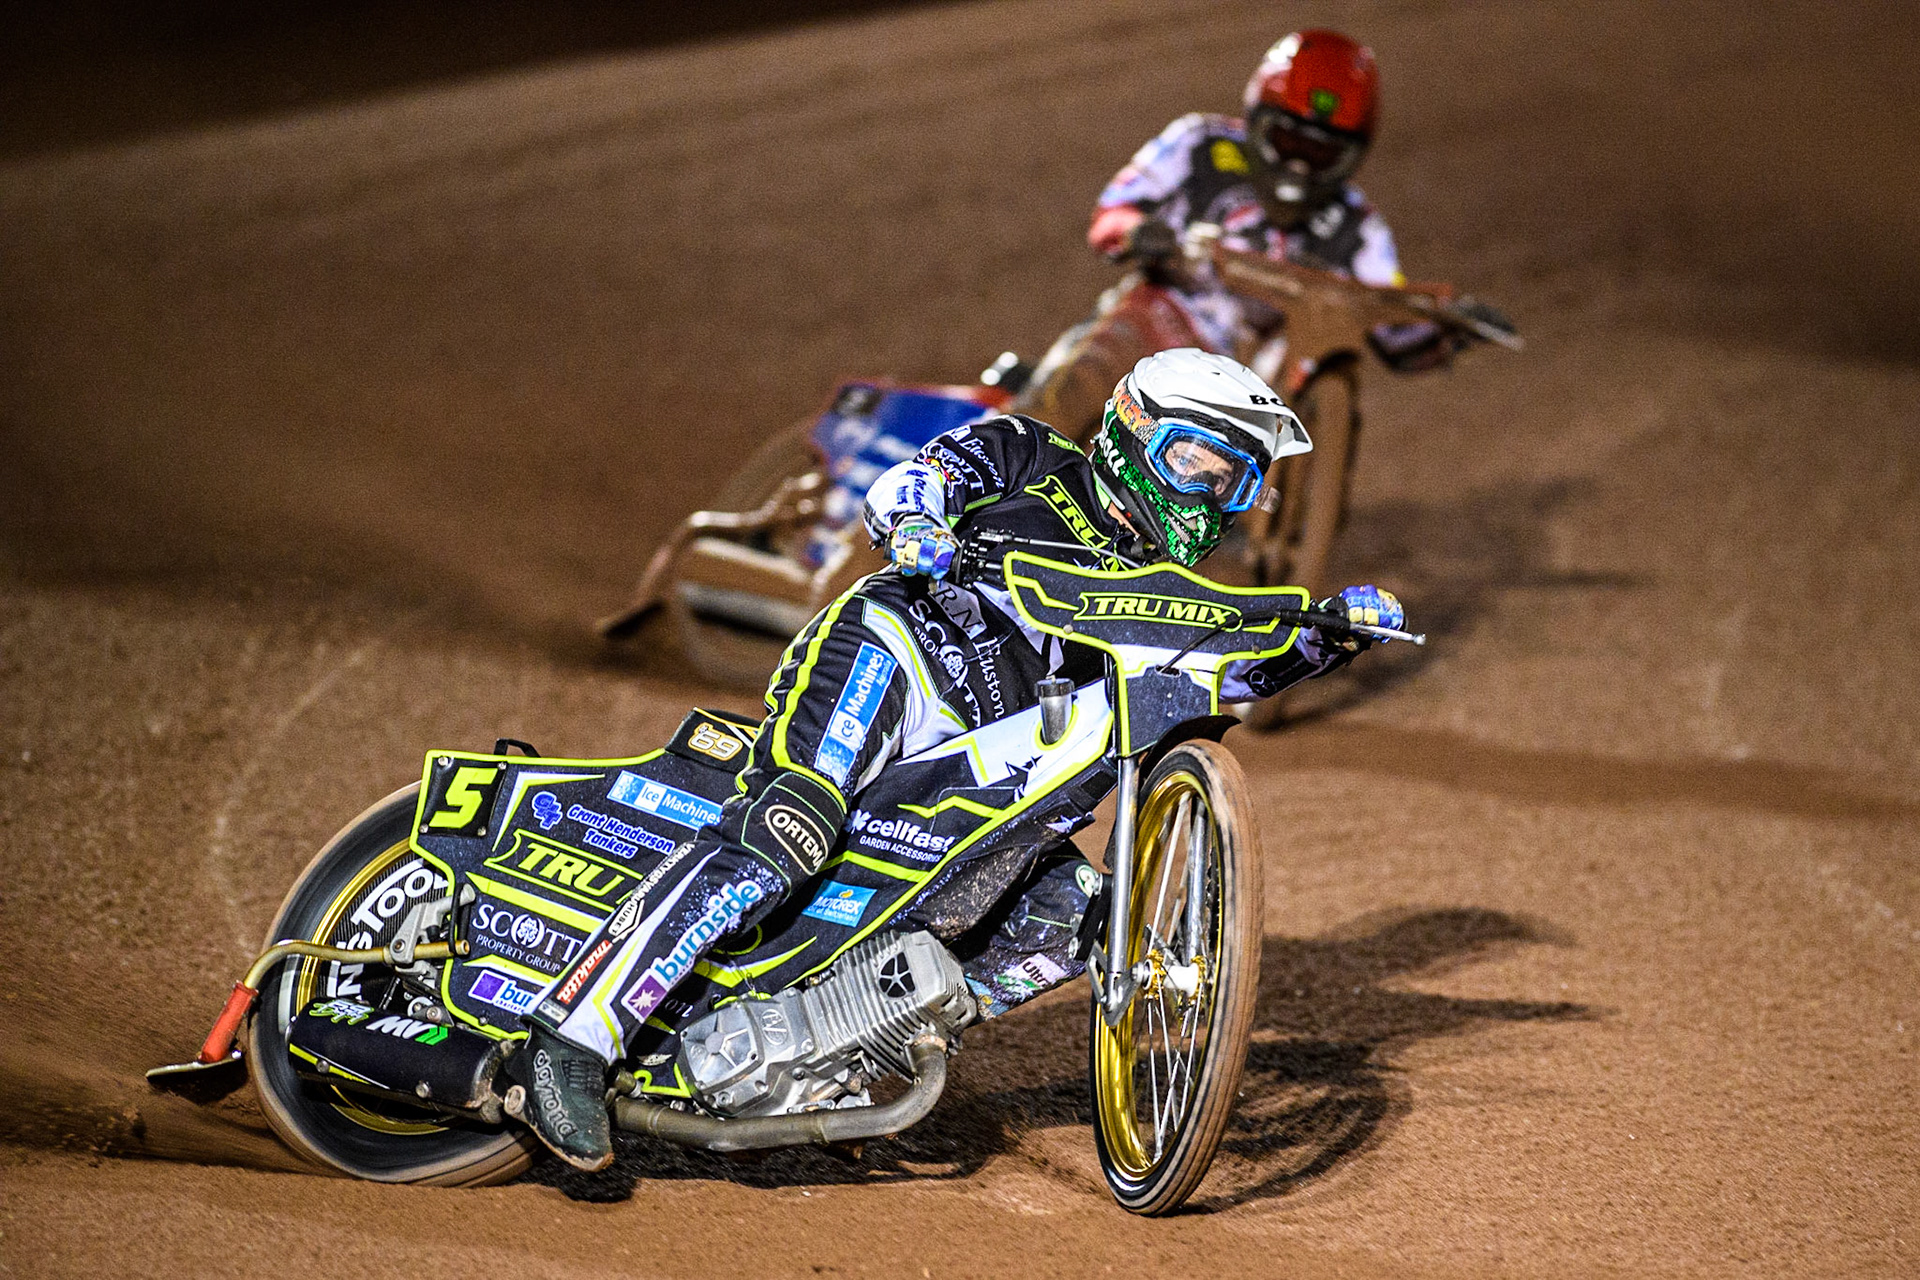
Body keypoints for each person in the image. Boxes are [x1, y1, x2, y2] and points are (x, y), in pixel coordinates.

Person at [508, 349, 1405, 1170]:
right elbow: (919, 476)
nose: (1206, 501)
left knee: (1082, 923)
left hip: (985, 767)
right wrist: (918, 523)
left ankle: (843, 1042)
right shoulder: (1029, 453)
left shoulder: (1174, 599)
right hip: (897, 657)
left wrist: (1328, 640)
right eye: (1191, 465)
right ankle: (571, 1041)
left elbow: (1229, 676)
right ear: (1131, 433)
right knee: (788, 828)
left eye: (1233, 483)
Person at [1013, 29, 1459, 438]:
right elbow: (1113, 211)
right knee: (1081, 385)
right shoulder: (1199, 144)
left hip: (1260, 362)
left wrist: (1445, 328)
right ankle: (993, 474)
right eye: (1289, 142)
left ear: (1350, 158)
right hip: (1165, 316)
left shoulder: (1358, 226)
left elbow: (1394, 321)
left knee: (1324, 388)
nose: (1300, 166)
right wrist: (1139, 233)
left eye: (1322, 152)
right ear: (1259, 119)